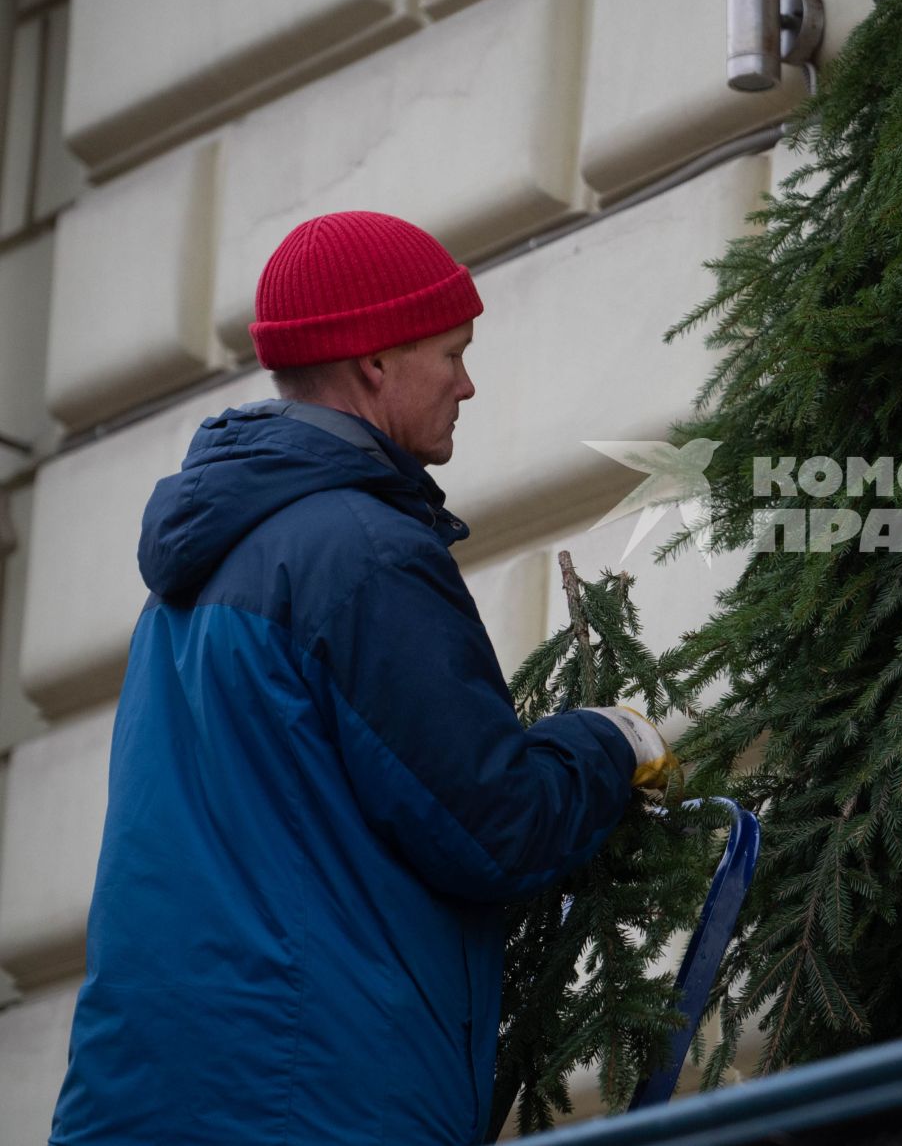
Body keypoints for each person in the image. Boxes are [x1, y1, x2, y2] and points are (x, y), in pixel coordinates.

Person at [50, 211, 674, 1145]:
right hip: (310, 1103)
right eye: (452, 352)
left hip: (142, 1101)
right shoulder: (360, 553)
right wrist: (610, 741)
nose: (468, 382)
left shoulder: (190, 579)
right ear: (375, 362)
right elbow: (491, 822)